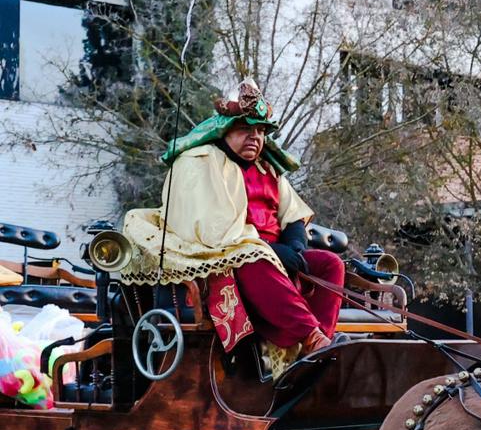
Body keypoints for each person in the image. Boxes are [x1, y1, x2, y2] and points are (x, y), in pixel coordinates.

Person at [120, 81, 344, 366]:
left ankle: (319, 344)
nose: (255, 137)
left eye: (261, 131)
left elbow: (293, 215)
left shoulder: (268, 167)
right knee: (253, 261)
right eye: (246, 130)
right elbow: (218, 231)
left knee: (329, 264)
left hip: (271, 252)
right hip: (227, 254)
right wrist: (273, 252)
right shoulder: (198, 160)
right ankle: (312, 337)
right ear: (224, 129)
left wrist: (296, 248)